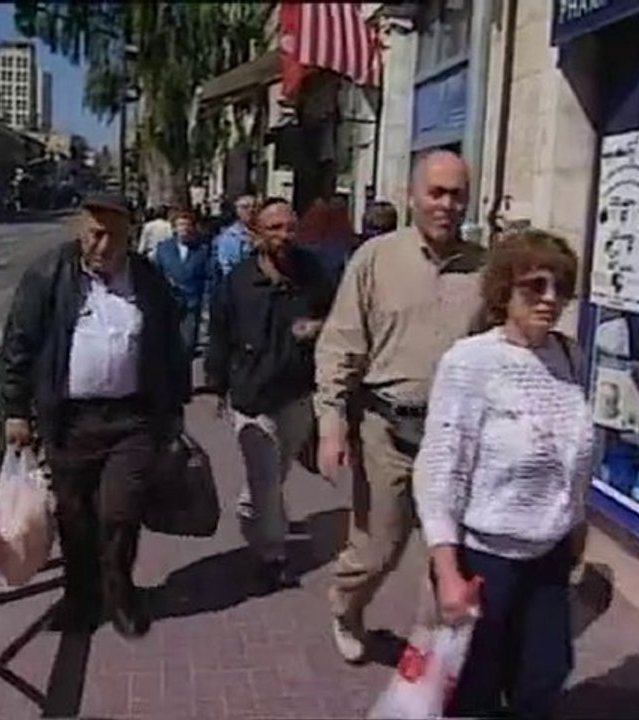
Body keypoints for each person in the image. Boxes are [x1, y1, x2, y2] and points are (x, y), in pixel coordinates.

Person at [413, 227, 594, 718]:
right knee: (474, 688)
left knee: (545, 675)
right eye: (534, 286)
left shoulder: (570, 357)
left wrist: (576, 525)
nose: (549, 299)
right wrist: (448, 572)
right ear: (503, 291)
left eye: (560, 287)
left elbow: (573, 456)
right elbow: (439, 473)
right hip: (485, 558)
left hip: (549, 554)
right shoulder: (471, 362)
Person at [314, 150, 486, 663]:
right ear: (412, 196)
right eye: (436, 192)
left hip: (454, 437)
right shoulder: (376, 259)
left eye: (457, 194)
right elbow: (340, 343)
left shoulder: (485, 269)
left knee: (451, 553)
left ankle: (437, 643)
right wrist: (331, 422)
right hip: (384, 430)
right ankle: (345, 606)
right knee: (377, 551)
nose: (447, 205)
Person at [1, 191, 189, 638]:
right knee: (75, 517)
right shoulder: (48, 274)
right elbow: (19, 344)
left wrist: (175, 407)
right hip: (69, 421)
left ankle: (120, 592)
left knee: (119, 512)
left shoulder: (146, 278)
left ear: (131, 235)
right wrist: (14, 410)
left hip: (133, 419)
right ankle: (80, 597)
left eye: (116, 236)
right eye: (96, 233)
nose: (105, 246)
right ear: (79, 230)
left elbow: (170, 346)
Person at [206, 198, 336, 592]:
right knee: (267, 482)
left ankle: (252, 512)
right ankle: (273, 556)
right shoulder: (239, 281)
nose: (283, 236)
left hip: (297, 392)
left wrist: (317, 327)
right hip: (253, 396)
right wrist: (217, 387)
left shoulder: (312, 270)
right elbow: (220, 333)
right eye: (274, 229)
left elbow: (337, 315)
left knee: (273, 477)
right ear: (257, 234)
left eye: (289, 227)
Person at [153, 207, 219, 357]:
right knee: (167, 345)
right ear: (174, 228)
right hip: (169, 302)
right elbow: (156, 272)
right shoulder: (164, 248)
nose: (184, 229)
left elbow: (210, 277)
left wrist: (207, 304)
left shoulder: (202, 250)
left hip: (191, 304)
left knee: (187, 345)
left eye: (187, 225)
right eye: (180, 225)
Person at [214, 193, 257, 277]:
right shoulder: (228, 236)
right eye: (245, 207)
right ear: (237, 211)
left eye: (254, 206)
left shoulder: (266, 231)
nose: (251, 210)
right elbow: (226, 266)